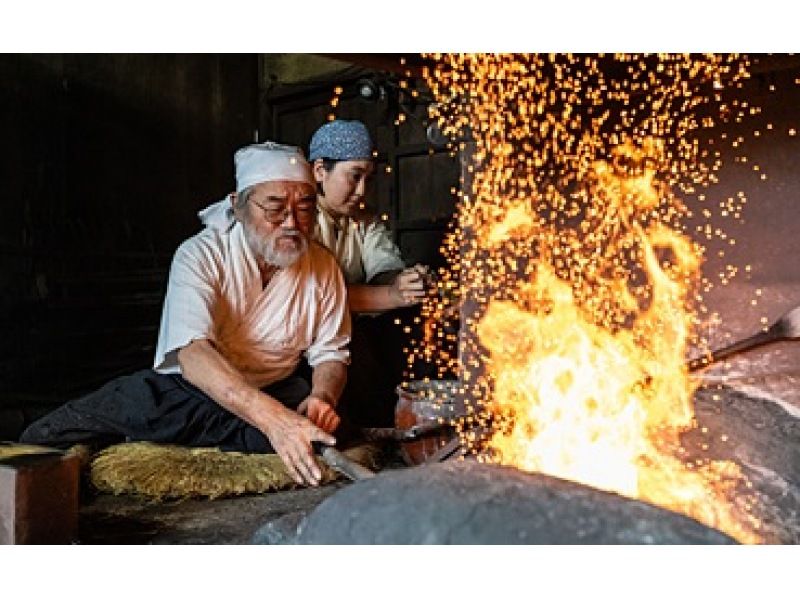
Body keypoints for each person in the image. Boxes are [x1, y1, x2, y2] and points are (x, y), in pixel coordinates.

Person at [20, 142, 351, 487]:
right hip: (187, 391)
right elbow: (193, 354)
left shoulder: (323, 266)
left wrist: (322, 398)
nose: (291, 223)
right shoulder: (200, 254)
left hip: (276, 391)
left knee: (325, 439)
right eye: (275, 209)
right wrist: (275, 423)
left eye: (304, 209)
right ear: (238, 206)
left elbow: (331, 352)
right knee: (45, 437)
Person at [307, 119, 430, 426]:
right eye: (354, 176)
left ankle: (416, 418)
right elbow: (319, 297)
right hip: (312, 336)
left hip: (358, 325)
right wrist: (392, 295)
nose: (362, 190)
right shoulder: (300, 220)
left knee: (415, 325)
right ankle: (375, 426)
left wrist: (405, 281)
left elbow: (383, 268)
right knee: (358, 344)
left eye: (368, 179)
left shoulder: (363, 220)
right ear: (320, 171)